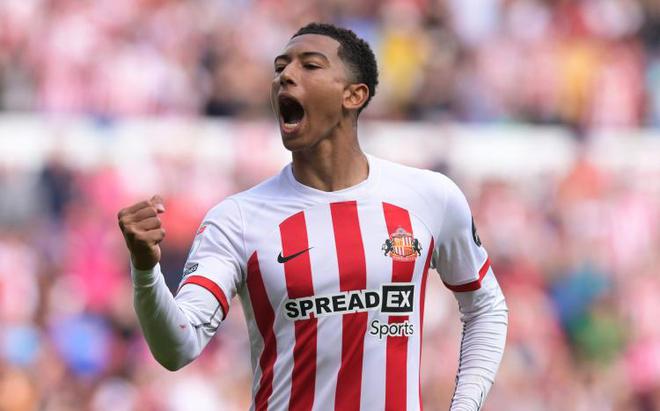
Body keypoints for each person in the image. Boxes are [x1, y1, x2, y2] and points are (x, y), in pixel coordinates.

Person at [117, 22, 507, 411]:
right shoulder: (236, 219)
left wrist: (464, 406)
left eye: (310, 65)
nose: (285, 75)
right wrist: (145, 270)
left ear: (354, 95)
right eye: (280, 67)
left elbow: (486, 307)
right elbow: (177, 347)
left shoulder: (429, 197)